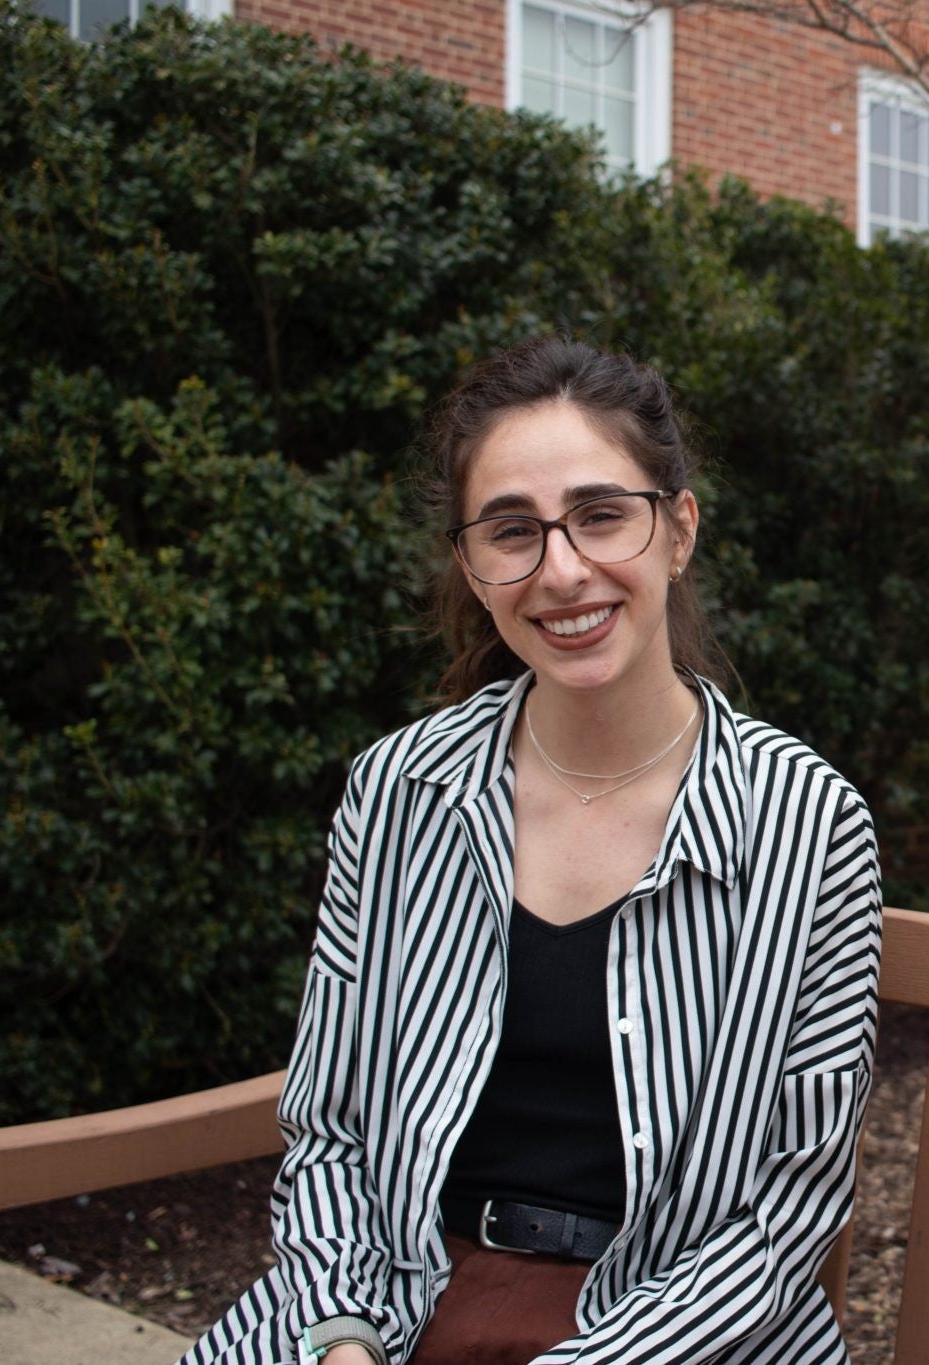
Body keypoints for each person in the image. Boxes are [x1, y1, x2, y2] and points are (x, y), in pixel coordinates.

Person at [184, 338, 881, 1365]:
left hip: (672, 1336)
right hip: (397, 1305)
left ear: (677, 530)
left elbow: (785, 1213)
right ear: (472, 565)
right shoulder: (398, 794)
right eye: (512, 532)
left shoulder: (805, 827)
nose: (561, 571)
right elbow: (328, 1128)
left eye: (601, 514)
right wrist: (339, 1339)